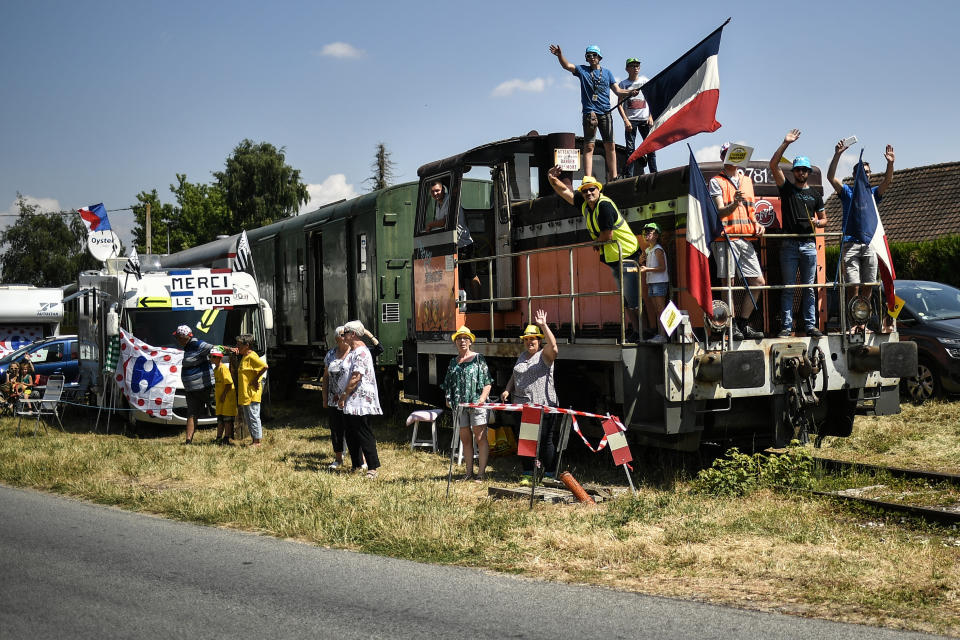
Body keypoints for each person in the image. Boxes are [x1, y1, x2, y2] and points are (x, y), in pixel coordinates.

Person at [547, 166, 641, 341]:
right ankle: (637, 331)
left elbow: (607, 235)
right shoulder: (585, 204)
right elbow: (564, 192)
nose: (589, 193)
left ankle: (644, 332)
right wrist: (552, 178)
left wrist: (596, 242)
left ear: (598, 190)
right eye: (585, 191)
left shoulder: (604, 206)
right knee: (626, 299)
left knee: (633, 299)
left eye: (592, 189)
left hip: (627, 255)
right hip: (616, 258)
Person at [827, 140, 896, 328]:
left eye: (868, 172)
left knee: (869, 285)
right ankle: (853, 321)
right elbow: (830, 177)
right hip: (850, 244)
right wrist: (838, 154)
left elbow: (887, 182)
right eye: (862, 172)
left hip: (869, 244)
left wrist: (890, 163)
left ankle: (862, 322)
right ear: (855, 175)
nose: (865, 174)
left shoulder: (873, 194)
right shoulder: (848, 192)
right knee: (853, 285)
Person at [549, 44, 640, 181]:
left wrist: (630, 92)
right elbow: (567, 66)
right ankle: (588, 178)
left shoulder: (607, 73)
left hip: (606, 112)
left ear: (599, 57)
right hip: (589, 114)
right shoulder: (582, 70)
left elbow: (618, 91)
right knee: (589, 146)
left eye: (594, 55)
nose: (591, 58)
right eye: (588, 56)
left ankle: (614, 177)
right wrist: (560, 55)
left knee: (610, 145)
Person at [769, 129, 827, 338]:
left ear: (808, 172)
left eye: (804, 170)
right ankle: (786, 327)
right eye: (798, 169)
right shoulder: (786, 189)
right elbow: (773, 165)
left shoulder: (815, 194)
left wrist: (817, 221)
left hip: (809, 245)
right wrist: (786, 143)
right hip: (789, 245)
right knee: (789, 287)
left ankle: (810, 326)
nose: (801, 173)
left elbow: (824, 219)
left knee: (809, 288)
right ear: (793, 172)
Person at [710, 143, 766, 340]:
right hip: (725, 238)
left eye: (735, 154)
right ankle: (731, 325)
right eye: (727, 154)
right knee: (728, 283)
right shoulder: (716, 181)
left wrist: (757, 223)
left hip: (745, 238)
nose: (732, 158)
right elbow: (719, 211)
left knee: (758, 282)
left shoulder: (747, 181)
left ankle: (743, 323)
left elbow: (751, 209)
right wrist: (734, 203)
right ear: (723, 157)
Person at [500, 310, 558, 481]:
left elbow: (554, 346)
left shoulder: (545, 356)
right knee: (526, 440)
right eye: (526, 339)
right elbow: (516, 374)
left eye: (532, 339)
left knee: (545, 441)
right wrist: (508, 389)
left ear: (539, 341)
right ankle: (528, 473)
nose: (529, 342)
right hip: (523, 406)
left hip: (543, 405)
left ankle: (549, 474)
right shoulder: (523, 356)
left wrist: (543, 325)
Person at [441, 325, 493, 482]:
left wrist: (482, 398)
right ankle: (468, 472)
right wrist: (448, 398)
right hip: (460, 406)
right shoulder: (453, 362)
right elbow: (448, 384)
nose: (462, 341)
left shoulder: (478, 359)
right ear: (455, 342)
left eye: (465, 338)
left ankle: (481, 473)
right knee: (465, 439)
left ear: (470, 342)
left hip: (476, 405)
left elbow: (487, 382)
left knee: (480, 437)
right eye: (459, 338)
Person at [338, 320, 382, 478]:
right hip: (351, 400)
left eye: (345, 334)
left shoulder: (362, 352)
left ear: (353, 334)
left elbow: (356, 377)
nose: (343, 337)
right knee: (350, 433)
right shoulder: (353, 351)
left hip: (360, 400)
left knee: (364, 433)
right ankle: (356, 464)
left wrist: (343, 395)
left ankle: (372, 467)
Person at [424, 180, 481, 300]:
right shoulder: (438, 204)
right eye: (433, 192)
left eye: (437, 190)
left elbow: (445, 221)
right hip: (452, 246)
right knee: (457, 277)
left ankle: (478, 303)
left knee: (472, 275)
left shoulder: (450, 201)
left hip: (464, 244)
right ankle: (461, 305)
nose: (435, 193)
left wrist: (430, 225)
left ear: (443, 190)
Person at [173, 324, 214, 444]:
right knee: (191, 413)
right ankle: (188, 440)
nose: (177, 340)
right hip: (191, 389)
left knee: (217, 411)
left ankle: (223, 437)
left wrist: (229, 349)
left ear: (184, 337)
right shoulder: (188, 347)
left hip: (204, 387)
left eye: (178, 337)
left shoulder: (197, 344)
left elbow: (214, 348)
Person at [617, 57, 657, 177]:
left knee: (651, 147)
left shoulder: (645, 81)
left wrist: (651, 116)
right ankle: (630, 176)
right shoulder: (623, 84)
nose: (635, 68)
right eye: (632, 66)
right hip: (631, 120)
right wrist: (625, 120)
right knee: (630, 149)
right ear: (627, 69)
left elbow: (652, 100)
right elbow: (619, 104)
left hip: (645, 119)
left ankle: (654, 173)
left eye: (637, 66)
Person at [322, 326, 350, 470]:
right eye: (342, 334)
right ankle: (338, 459)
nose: (345, 336)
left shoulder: (353, 353)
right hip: (334, 400)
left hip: (351, 399)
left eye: (347, 334)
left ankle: (360, 459)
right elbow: (325, 377)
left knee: (353, 429)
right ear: (337, 338)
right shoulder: (331, 354)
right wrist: (325, 397)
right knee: (336, 430)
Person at [234, 333, 268, 447]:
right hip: (245, 393)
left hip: (252, 393)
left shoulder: (252, 356)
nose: (237, 347)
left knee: (254, 416)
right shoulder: (244, 356)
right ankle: (254, 439)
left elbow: (265, 367)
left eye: (239, 345)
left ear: (247, 345)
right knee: (248, 418)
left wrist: (255, 379)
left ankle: (257, 441)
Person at [640, 223, 670, 343]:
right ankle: (660, 334)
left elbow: (662, 268)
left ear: (656, 235)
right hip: (652, 282)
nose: (646, 234)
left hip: (659, 282)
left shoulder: (658, 249)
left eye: (649, 232)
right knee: (657, 310)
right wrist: (641, 262)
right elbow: (646, 266)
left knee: (661, 309)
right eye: (645, 232)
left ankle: (663, 335)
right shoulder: (648, 250)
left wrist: (647, 269)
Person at [210, 348, 236, 446]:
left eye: (214, 356)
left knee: (227, 420)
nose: (212, 358)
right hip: (220, 399)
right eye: (211, 356)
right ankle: (218, 437)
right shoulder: (216, 369)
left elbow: (229, 384)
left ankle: (226, 438)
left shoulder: (223, 368)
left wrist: (223, 395)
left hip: (226, 399)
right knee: (220, 419)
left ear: (219, 357)